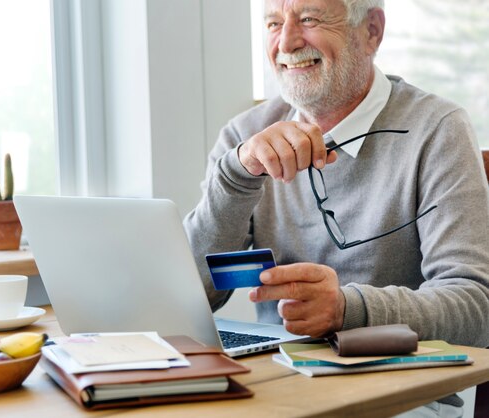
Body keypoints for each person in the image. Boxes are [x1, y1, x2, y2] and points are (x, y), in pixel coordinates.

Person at [183, 0, 489, 416]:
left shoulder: (438, 128)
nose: (286, 42)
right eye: (274, 23)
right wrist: (235, 176)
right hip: (274, 386)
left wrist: (348, 310)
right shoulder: (244, 135)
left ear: (372, 31)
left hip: (400, 394)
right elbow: (195, 295)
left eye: (308, 19)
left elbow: (477, 305)